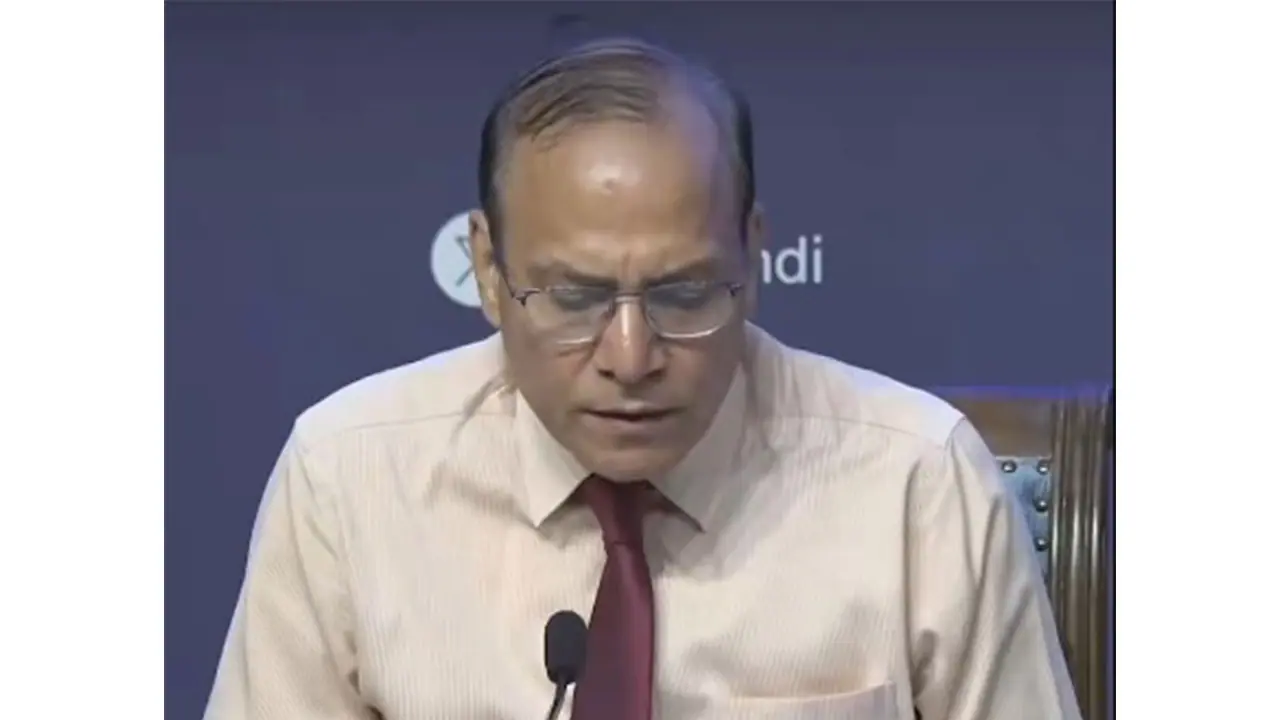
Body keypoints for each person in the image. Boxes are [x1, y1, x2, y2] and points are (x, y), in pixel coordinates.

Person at [205, 38, 1082, 720]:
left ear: (753, 255)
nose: (630, 357)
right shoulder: (348, 479)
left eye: (684, 293)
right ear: (488, 269)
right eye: (574, 298)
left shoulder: (916, 483)